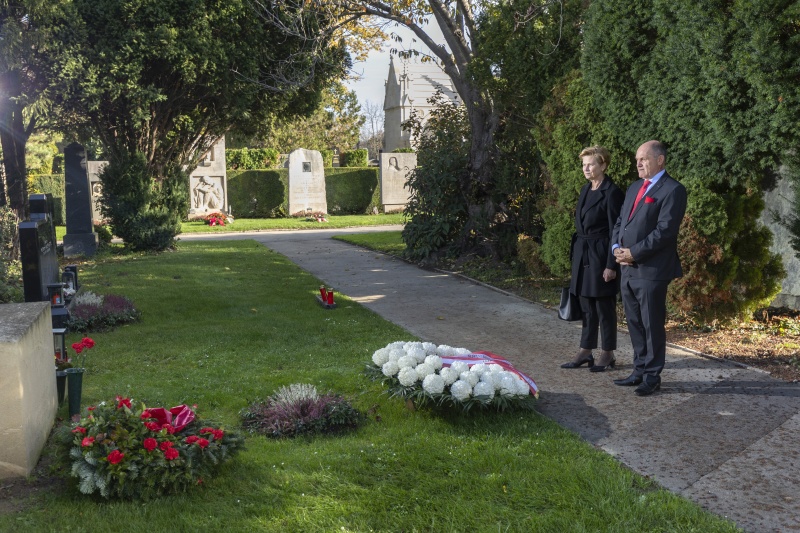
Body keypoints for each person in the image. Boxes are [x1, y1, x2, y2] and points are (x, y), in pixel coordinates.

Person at [611, 140, 687, 396]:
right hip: (627, 268)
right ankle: (639, 370)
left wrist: (634, 252)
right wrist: (616, 249)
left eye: (643, 159)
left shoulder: (673, 190)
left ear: (660, 160)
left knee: (651, 323)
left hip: (652, 270)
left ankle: (652, 376)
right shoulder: (634, 187)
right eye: (637, 159)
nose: (638, 163)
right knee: (633, 321)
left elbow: (665, 232)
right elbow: (621, 221)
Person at [561, 146, 625, 372]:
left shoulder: (612, 192)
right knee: (587, 305)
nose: (585, 169)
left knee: (604, 306)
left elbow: (615, 231)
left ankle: (607, 353)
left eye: (590, 164)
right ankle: (586, 350)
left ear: (603, 165)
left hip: (601, 254)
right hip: (583, 253)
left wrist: (611, 265)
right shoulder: (585, 189)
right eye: (583, 165)